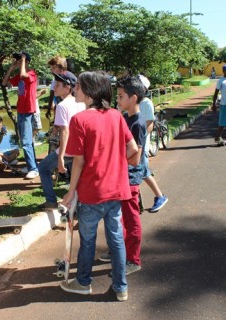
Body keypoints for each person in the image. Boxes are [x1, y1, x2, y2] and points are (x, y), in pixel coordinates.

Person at [60, 71, 139, 301]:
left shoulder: (80, 120)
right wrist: (115, 163)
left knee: (88, 239)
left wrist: (70, 191)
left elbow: (78, 161)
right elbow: (133, 148)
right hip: (116, 190)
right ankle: (121, 287)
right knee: (115, 238)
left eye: (78, 86)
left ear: (90, 91)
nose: (75, 89)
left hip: (92, 192)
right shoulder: (116, 115)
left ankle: (83, 282)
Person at [99, 76, 146, 275]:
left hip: (130, 179)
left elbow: (136, 157)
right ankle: (119, 251)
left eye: (120, 96)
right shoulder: (125, 117)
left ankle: (132, 260)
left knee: (131, 220)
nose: (117, 100)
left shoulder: (138, 123)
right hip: (120, 176)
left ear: (133, 98)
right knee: (118, 218)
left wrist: (114, 157)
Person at [38, 71, 85, 210]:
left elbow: (65, 132)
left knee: (43, 168)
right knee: (75, 177)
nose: (54, 87)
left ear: (67, 88)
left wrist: (60, 157)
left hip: (68, 150)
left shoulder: (62, 106)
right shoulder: (81, 103)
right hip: (80, 149)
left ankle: (51, 201)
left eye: (58, 85)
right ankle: (78, 204)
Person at [2, 51, 38, 179]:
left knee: (26, 141)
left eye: (20, 60)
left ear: (27, 62)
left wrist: (23, 60)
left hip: (28, 111)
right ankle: (31, 166)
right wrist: (11, 68)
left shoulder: (32, 74)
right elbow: (4, 83)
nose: (17, 62)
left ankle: (33, 169)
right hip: (21, 110)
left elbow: (24, 74)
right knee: (27, 140)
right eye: (17, 60)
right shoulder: (20, 76)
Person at [138, 74, 168, 212]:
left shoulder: (146, 103)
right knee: (134, 174)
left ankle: (160, 196)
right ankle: (137, 202)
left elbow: (149, 125)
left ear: (143, 89)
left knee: (143, 172)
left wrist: (140, 142)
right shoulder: (132, 101)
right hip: (132, 145)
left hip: (140, 145)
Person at [212, 65, 226, 143]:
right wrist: (214, 104)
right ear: (223, 71)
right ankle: (217, 136)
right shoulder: (221, 81)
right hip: (224, 104)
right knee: (222, 122)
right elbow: (216, 93)